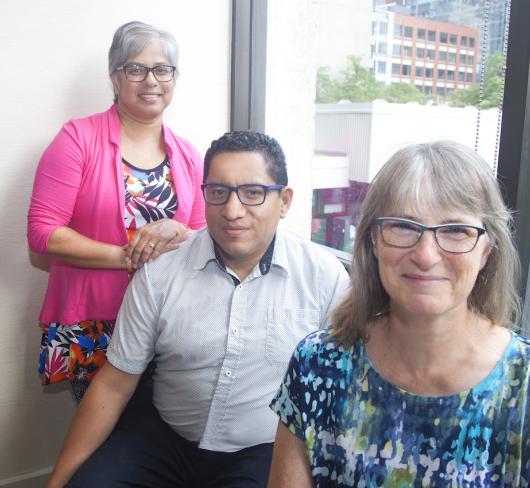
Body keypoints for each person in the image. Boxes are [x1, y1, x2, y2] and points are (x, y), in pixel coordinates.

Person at [46, 131, 349, 487]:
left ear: (284, 200)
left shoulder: (324, 278)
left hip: (262, 449)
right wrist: (60, 482)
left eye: (253, 193)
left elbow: (341, 394)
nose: (233, 211)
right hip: (161, 437)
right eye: (218, 193)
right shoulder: (162, 272)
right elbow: (114, 386)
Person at [269, 141, 530, 487]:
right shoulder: (317, 366)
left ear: (486, 252)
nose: (425, 255)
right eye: (403, 226)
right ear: (374, 240)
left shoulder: (523, 387)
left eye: (455, 230)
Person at [27, 21, 205, 401]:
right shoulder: (76, 139)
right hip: (96, 324)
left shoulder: (189, 155)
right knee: (103, 438)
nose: (151, 80)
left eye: (162, 69)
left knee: (161, 437)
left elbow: (204, 235)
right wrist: (129, 257)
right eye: (136, 68)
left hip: (166, 321)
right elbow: (43, 231)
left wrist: (178, 230)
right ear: (115, 76)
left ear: (174, 78)